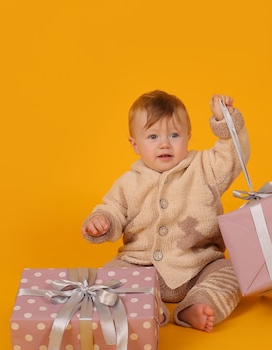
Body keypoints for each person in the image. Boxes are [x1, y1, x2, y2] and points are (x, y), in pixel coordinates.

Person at [81, 90, 250, 332]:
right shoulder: (129, 182)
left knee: (235, 271)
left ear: (188, 137)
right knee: (108, 274)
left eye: (174, 135)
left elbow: (234, 157)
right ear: (134, 144)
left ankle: (198, 303)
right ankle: (148, 308)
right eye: (152, 136)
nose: (164, 144)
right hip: (141, 266)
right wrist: (102, 221)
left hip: (199, 265)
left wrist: (226, 120)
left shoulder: (204, 168)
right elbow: (113, 209)